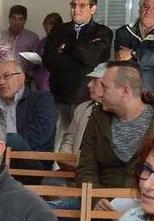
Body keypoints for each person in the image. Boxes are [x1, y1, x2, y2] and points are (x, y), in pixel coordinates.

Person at [77, 61, 154, 189]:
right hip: (100, 202)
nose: (100, 94)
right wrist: (97, 200)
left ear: (125, 91)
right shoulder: (97, 119)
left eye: (105, 88)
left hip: (151, 202)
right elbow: (86, 170)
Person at [42, 0, 113, 129]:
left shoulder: (103, 32)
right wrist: (80, 55)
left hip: (87, 98)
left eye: (82, 5)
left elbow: (92, 58)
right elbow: (48, 61)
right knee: (58, 144)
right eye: (73, 5)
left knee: (83, 143)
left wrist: (65, 47)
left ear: (93, 9)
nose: (76, 9)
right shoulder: (58, 30)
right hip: (59, 97)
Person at [0, 59, 57, 177]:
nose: (1, 82)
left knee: (10, 139)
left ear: (22, 78)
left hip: (34, 161)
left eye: (6, 76)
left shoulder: (41, 99)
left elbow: (42, 132)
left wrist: (8, 144)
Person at [114, 0, 154, 100]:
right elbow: (124, 64)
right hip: (127, 96)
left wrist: (133, 53)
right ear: (140, 9)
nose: (148, 11)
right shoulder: (124, 32)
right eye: (145, 6)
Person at [58, 63, 105, 161]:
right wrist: (66, 162)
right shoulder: (82, 109)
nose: (89, 85)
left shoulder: (120, 112)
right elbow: (68, 141)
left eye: (94, 81)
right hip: (74, 168)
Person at [0, 5, 40, 92]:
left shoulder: (32, 38)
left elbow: (36, 63)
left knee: (23, 105)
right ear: (9, 19)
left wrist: (29, 77)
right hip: (3, 80)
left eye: (20, 19)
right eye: (14, 18)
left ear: (24, 21)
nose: (16, 22)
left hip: (23, 81)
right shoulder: (0, 36)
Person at [34, 13, 65, 92]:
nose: (47, 31)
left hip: (55, 85)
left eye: (49, 28)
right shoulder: (42, 42)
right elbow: (36, 63)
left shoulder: (63, 42)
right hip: (40, 83)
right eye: (45, 28)